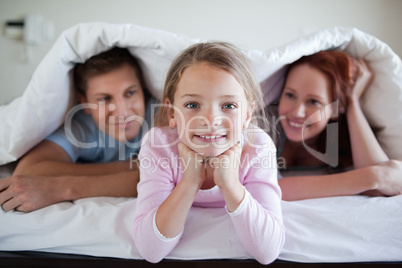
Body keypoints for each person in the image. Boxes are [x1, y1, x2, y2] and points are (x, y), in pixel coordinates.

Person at [133, 42, 285, 264]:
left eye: (229, 106)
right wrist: (190, 181)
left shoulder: (258, 146)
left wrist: (231, 185)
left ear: (247, 114)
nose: (211, 120)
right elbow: (151, 250)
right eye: (193, 105)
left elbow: (268, 251)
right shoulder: (158, 145)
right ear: (172, 113)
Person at [0, 47, 156, 212]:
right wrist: (132, 167)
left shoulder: (160, 116)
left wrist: (66, 187)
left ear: (143, 90)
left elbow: (177, 176)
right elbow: (30, 170)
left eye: (130, 93)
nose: (122, 112)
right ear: (85, 102)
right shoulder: (80, 125)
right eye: (104, 98)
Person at [274, 50, 402, 201]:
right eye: (290, 95)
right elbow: (270, 189)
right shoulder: (265, 127)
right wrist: (372, 176)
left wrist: (352, 102)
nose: (297, 112)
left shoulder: (339, 146)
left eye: (314, 102)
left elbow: (382, 189)